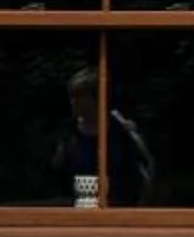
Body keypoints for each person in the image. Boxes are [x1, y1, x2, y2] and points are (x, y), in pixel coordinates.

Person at [58, 68, 154, 207]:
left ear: (97, 98)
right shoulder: (68, 134)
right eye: (72, 96)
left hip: (118, 211)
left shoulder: (121, 133)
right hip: (77, 212)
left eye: (80, 96)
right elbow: (57, 177)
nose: (74, 101)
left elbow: (144, 173)